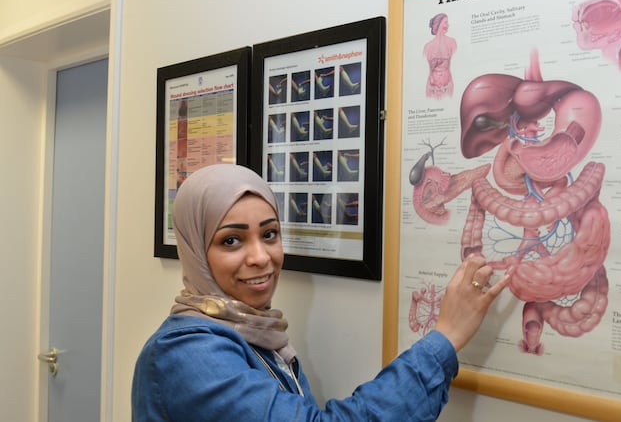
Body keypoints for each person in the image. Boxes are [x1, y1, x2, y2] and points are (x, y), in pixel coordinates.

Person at [132, 163, 509, 421]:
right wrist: (445, 337)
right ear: (196, 251)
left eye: (269, 234)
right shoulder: (185, 353)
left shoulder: (253, 331)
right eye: (231, 240)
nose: (261, 257)